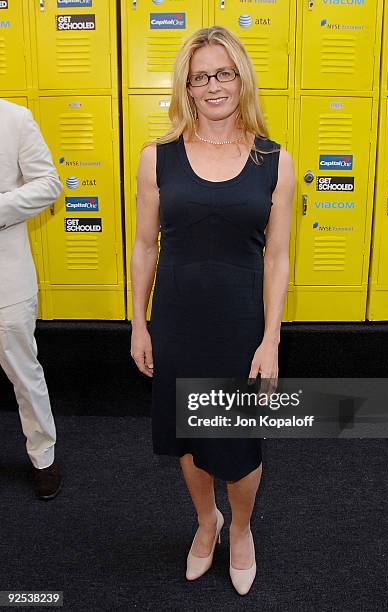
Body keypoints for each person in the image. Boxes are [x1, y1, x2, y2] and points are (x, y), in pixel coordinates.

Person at [130, 26, 294, 595]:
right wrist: (138, 323)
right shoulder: (157, 158)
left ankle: (241, 529)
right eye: (202, 76)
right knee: (191, 437)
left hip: (240, 326)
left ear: (241, 78)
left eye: (224, 72)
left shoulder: (275, 160)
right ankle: (207, 523)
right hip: (177, 321)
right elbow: (145, 245)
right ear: (188, 88)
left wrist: (271, 337)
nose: (214, 84)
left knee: (240, 447)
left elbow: (277, 257)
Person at [0, 99, 63, 500]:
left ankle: (44, 458)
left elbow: (49, 184)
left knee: (24, 373)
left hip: (6, 281)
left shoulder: (15, 118)